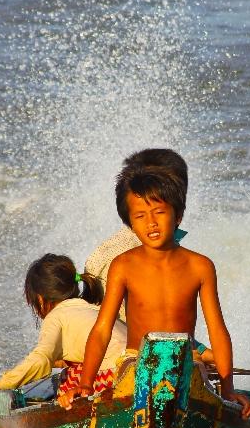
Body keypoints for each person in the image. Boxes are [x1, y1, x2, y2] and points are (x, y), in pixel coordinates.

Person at [60, 161, 250, 418]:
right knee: (129, 389)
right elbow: (102, 328)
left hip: (188, 360)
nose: (151, 223)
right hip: (135, 359)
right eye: (140, 216)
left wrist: (228, 390)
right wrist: (85, 384)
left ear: (178, 215)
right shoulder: (123, 265)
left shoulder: (200, 266)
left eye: (159, 212)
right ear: (130, 223)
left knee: (195, 388)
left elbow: (217, 329)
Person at [84, 147, 213, 364]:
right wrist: (205, 353)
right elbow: (132, 323)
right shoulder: (127, 256)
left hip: (153, 345)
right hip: (119, 349)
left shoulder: (155, 239)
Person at [0, 254, 127, 403]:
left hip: (114, 375)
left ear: (40, 299)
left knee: (67, 378)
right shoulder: (92, 308)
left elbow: (41, 360)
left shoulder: (56, 316)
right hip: (132, 366)